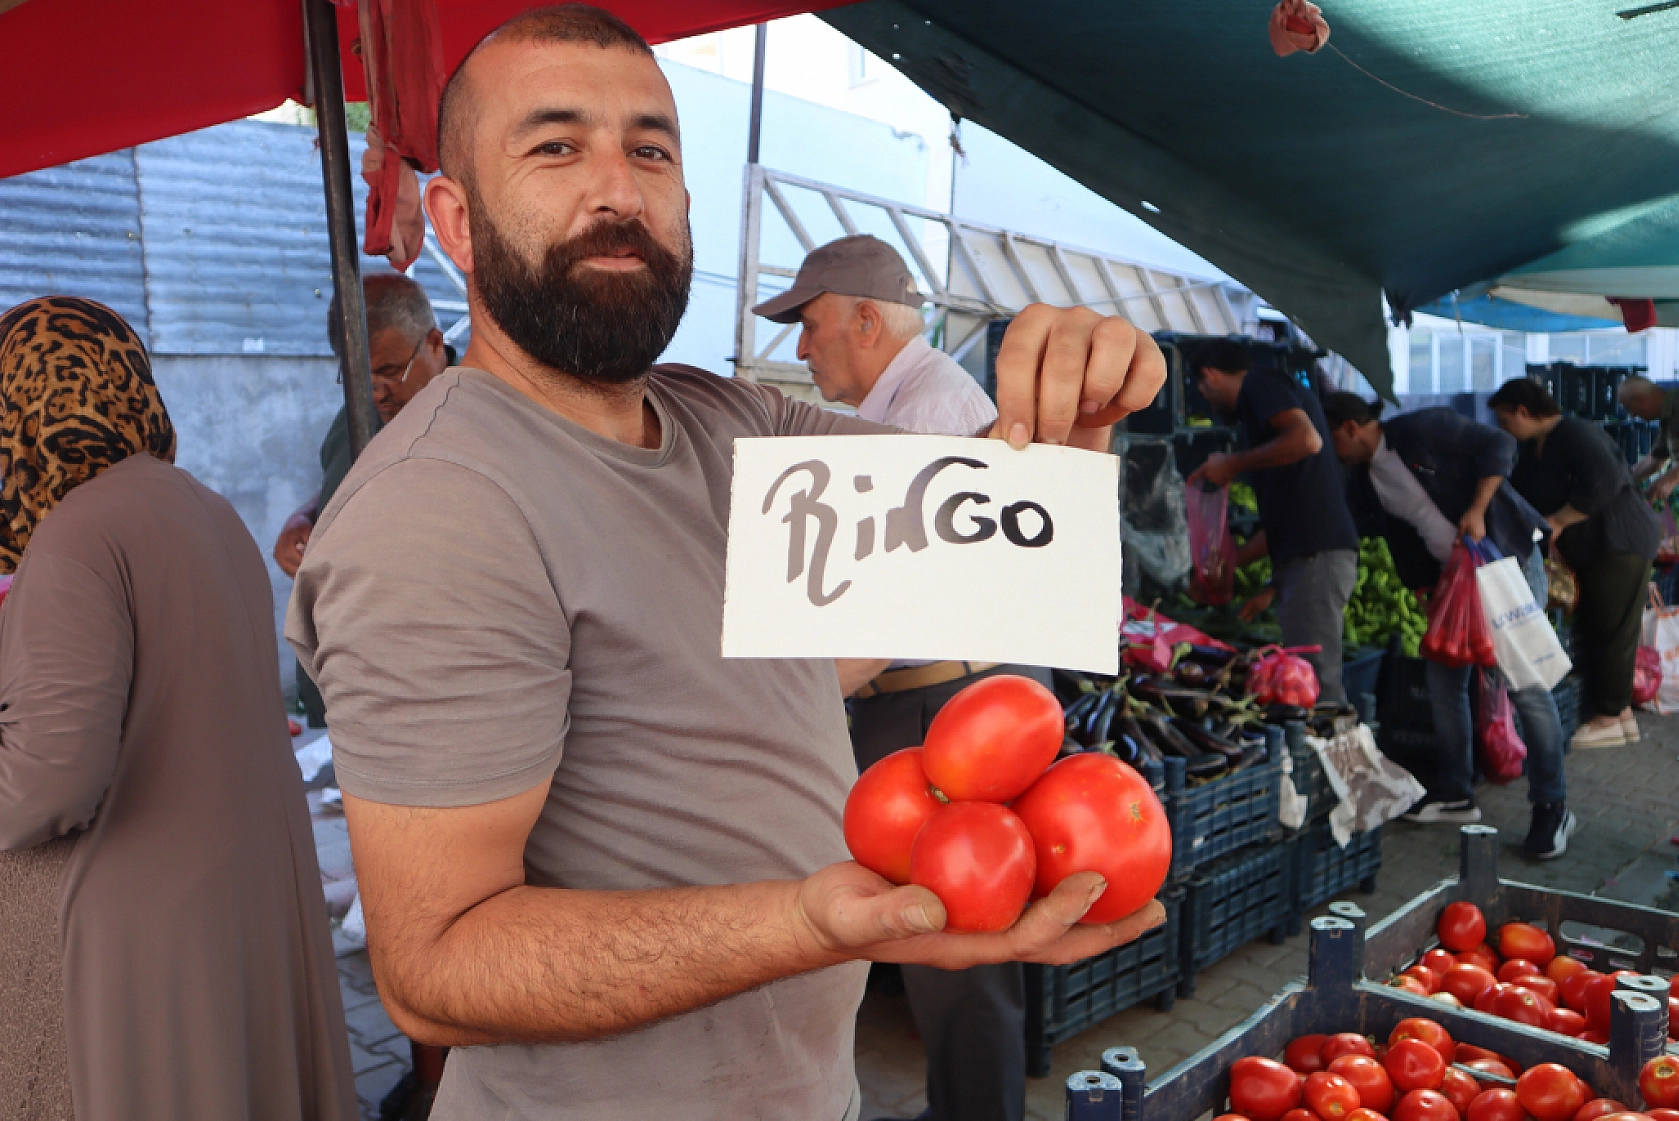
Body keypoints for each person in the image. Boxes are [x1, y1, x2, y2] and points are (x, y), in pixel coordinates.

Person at [284, 7, 1167, 1120]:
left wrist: (1078, 403)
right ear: (455, 223)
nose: (618, 188)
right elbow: (436, 968)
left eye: (649, 149)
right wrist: (803, 920)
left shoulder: (730, 424)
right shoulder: (438, 508)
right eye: (555, 147)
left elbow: (994, 538)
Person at [0, 296, 357, 1120]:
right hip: (240, 906)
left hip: (144, 938)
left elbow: (47, 783)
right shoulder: (203, 506)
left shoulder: (73, 537)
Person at [755, 233, 1032, 1121]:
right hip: (917, 700)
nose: (802, 346)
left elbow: (910, 602)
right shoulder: (899, 404)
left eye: (810, 324)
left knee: (960, 953)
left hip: (938, 705)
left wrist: (795, 694)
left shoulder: (930, 412)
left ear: (866, 320)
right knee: (934, 939)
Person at [1321, 393, 1573, 858]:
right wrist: (1422, 586)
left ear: (1350, 427)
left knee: (1525, 686)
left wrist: (1477, 508)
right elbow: (1394, 534)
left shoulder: (1419, 430)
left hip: (1506, 563)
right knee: (1442, 679)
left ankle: (1551, 805)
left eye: (1329, 433)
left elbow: (1498, 444)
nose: (1328, 446)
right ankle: (1456, 792)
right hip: (1454, 583)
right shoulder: (1363, 483)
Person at [273, 272, 452, 727]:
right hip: (339, 669)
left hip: (414, 681)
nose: (375, 392)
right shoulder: (358, 412)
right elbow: (345, 478)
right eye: (357, 376)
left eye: (391, 373)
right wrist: (305, 514)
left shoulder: (473, 414)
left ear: (434, 343)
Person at [1187, 341, 1360, 706]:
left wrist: (1231, 464)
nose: (1206, 400)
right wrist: (1237, 567)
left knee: (1315, 685)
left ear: (1209, 375)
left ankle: (1339, 756)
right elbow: (1284, 522)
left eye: (1202, 390)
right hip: (1310, 558)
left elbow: (1307, 440)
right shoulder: (1263, 410)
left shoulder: (1260, 383)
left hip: (1319, 557)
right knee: (1308, 678)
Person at [1489, 378, 1659, 749]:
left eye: (1505, 419)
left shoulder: (1574, 433)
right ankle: (1622, 714)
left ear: (1523, 410)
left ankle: (1608, 718)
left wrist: (1562, 520)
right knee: (1602, 623)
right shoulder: (1537, 448)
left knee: (1612, 627)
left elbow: (1607, 479)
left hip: (1620, 540)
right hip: (1601, 546)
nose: (1504, 428)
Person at [1618, 375, 1679, 500]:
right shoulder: (1668, 416)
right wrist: (1619, 479)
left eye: (1629, 407)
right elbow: (1654, 461)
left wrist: (1673, 477)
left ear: (1640, 399)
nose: (1632, 415)